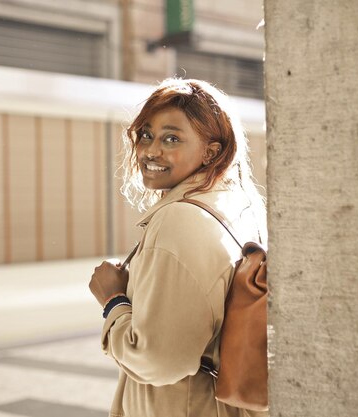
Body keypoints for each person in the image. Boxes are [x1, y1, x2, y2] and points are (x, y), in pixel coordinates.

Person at [89, 78, 268, 417]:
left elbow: (158, 361)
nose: (150, 150)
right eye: (145, 134)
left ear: (210, 151)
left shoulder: (180, 221)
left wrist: (113, 300)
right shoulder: (237, 203)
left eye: (171, 138)